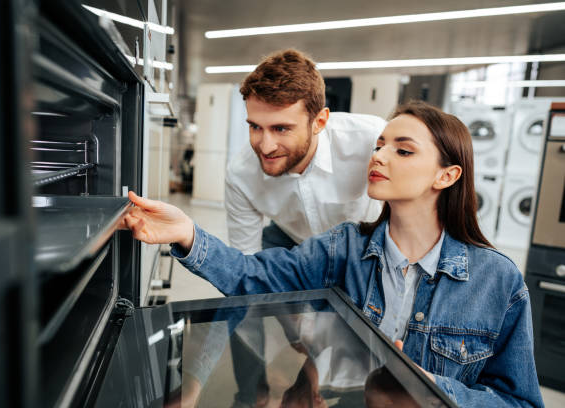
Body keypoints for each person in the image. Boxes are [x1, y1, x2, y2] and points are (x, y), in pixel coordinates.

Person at [123, 101, 544, 407]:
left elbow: (519, 402)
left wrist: (432, 387)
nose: (377, 155)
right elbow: (249, 277)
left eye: (403, 149)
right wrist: (187, 233)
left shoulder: (498, 281)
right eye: (379, 144)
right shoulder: (343, 247)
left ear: (447, 175)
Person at [225, 48, 385, 254]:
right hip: (291, 239)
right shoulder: (241, 173)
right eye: (255, 126)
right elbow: (245, 262)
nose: (266, 147)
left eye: (281, 128)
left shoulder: (371, 137)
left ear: (319, 122)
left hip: (360, 242)